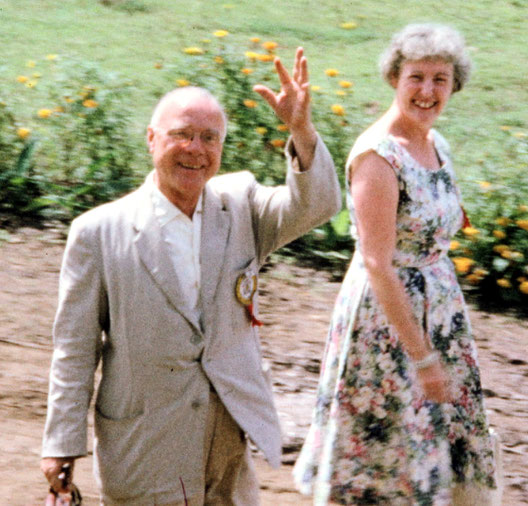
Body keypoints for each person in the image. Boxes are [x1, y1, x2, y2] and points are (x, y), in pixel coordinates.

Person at [41, 47, 341, 505]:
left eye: (209, 137)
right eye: (181, 134)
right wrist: (62, 443)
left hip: (226, 440)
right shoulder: (97, 232)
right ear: (151, 139)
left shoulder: (240, 204)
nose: (195, 150)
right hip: (147, 442)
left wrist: (301, 129)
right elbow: (75, 348)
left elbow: (316, 205)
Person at [293, 24, 501, 505]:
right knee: (386, 457)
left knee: (433, 455)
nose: (427, 92)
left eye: (440, 80)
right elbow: (377, 264)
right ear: (394, 78)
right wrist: (423, 355)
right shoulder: (377, 155)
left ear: (454, 85)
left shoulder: (437, 145)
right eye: (416, 77)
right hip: (388, 324)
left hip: (439, 308)